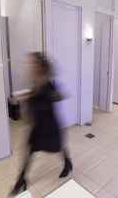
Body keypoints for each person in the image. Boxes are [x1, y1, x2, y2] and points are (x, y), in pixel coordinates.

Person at [10, 52, 73, 196]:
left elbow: (56, 96)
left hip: (49, 125)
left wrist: (36, 96)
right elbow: (35, 97)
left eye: (32, 63)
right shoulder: (36, 81)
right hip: (38, 126)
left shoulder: (48, 83)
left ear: (39, 66)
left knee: (58, 146)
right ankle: (21, 180)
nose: (30, 66)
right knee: (29, 151)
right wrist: (27, 97)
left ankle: (68, 163)